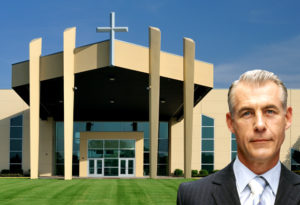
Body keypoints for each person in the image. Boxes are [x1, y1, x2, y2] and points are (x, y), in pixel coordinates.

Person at [177, 69, 300, 205]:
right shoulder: (191, 196)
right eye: (247, 113)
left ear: (287, 118)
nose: (259, 125)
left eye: (270, 111)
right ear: (231, 123)